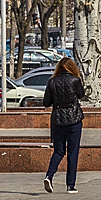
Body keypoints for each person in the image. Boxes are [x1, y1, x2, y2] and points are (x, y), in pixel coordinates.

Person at [42, 57, 86, 193]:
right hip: (74, 120)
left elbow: (46, 103)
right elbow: (81, 95)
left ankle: (49, 176)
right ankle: (70, 185)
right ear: (72, 68)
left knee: (58, 151)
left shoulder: (52, 82)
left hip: (58, 120)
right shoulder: (75, 80)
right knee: (73, 152)